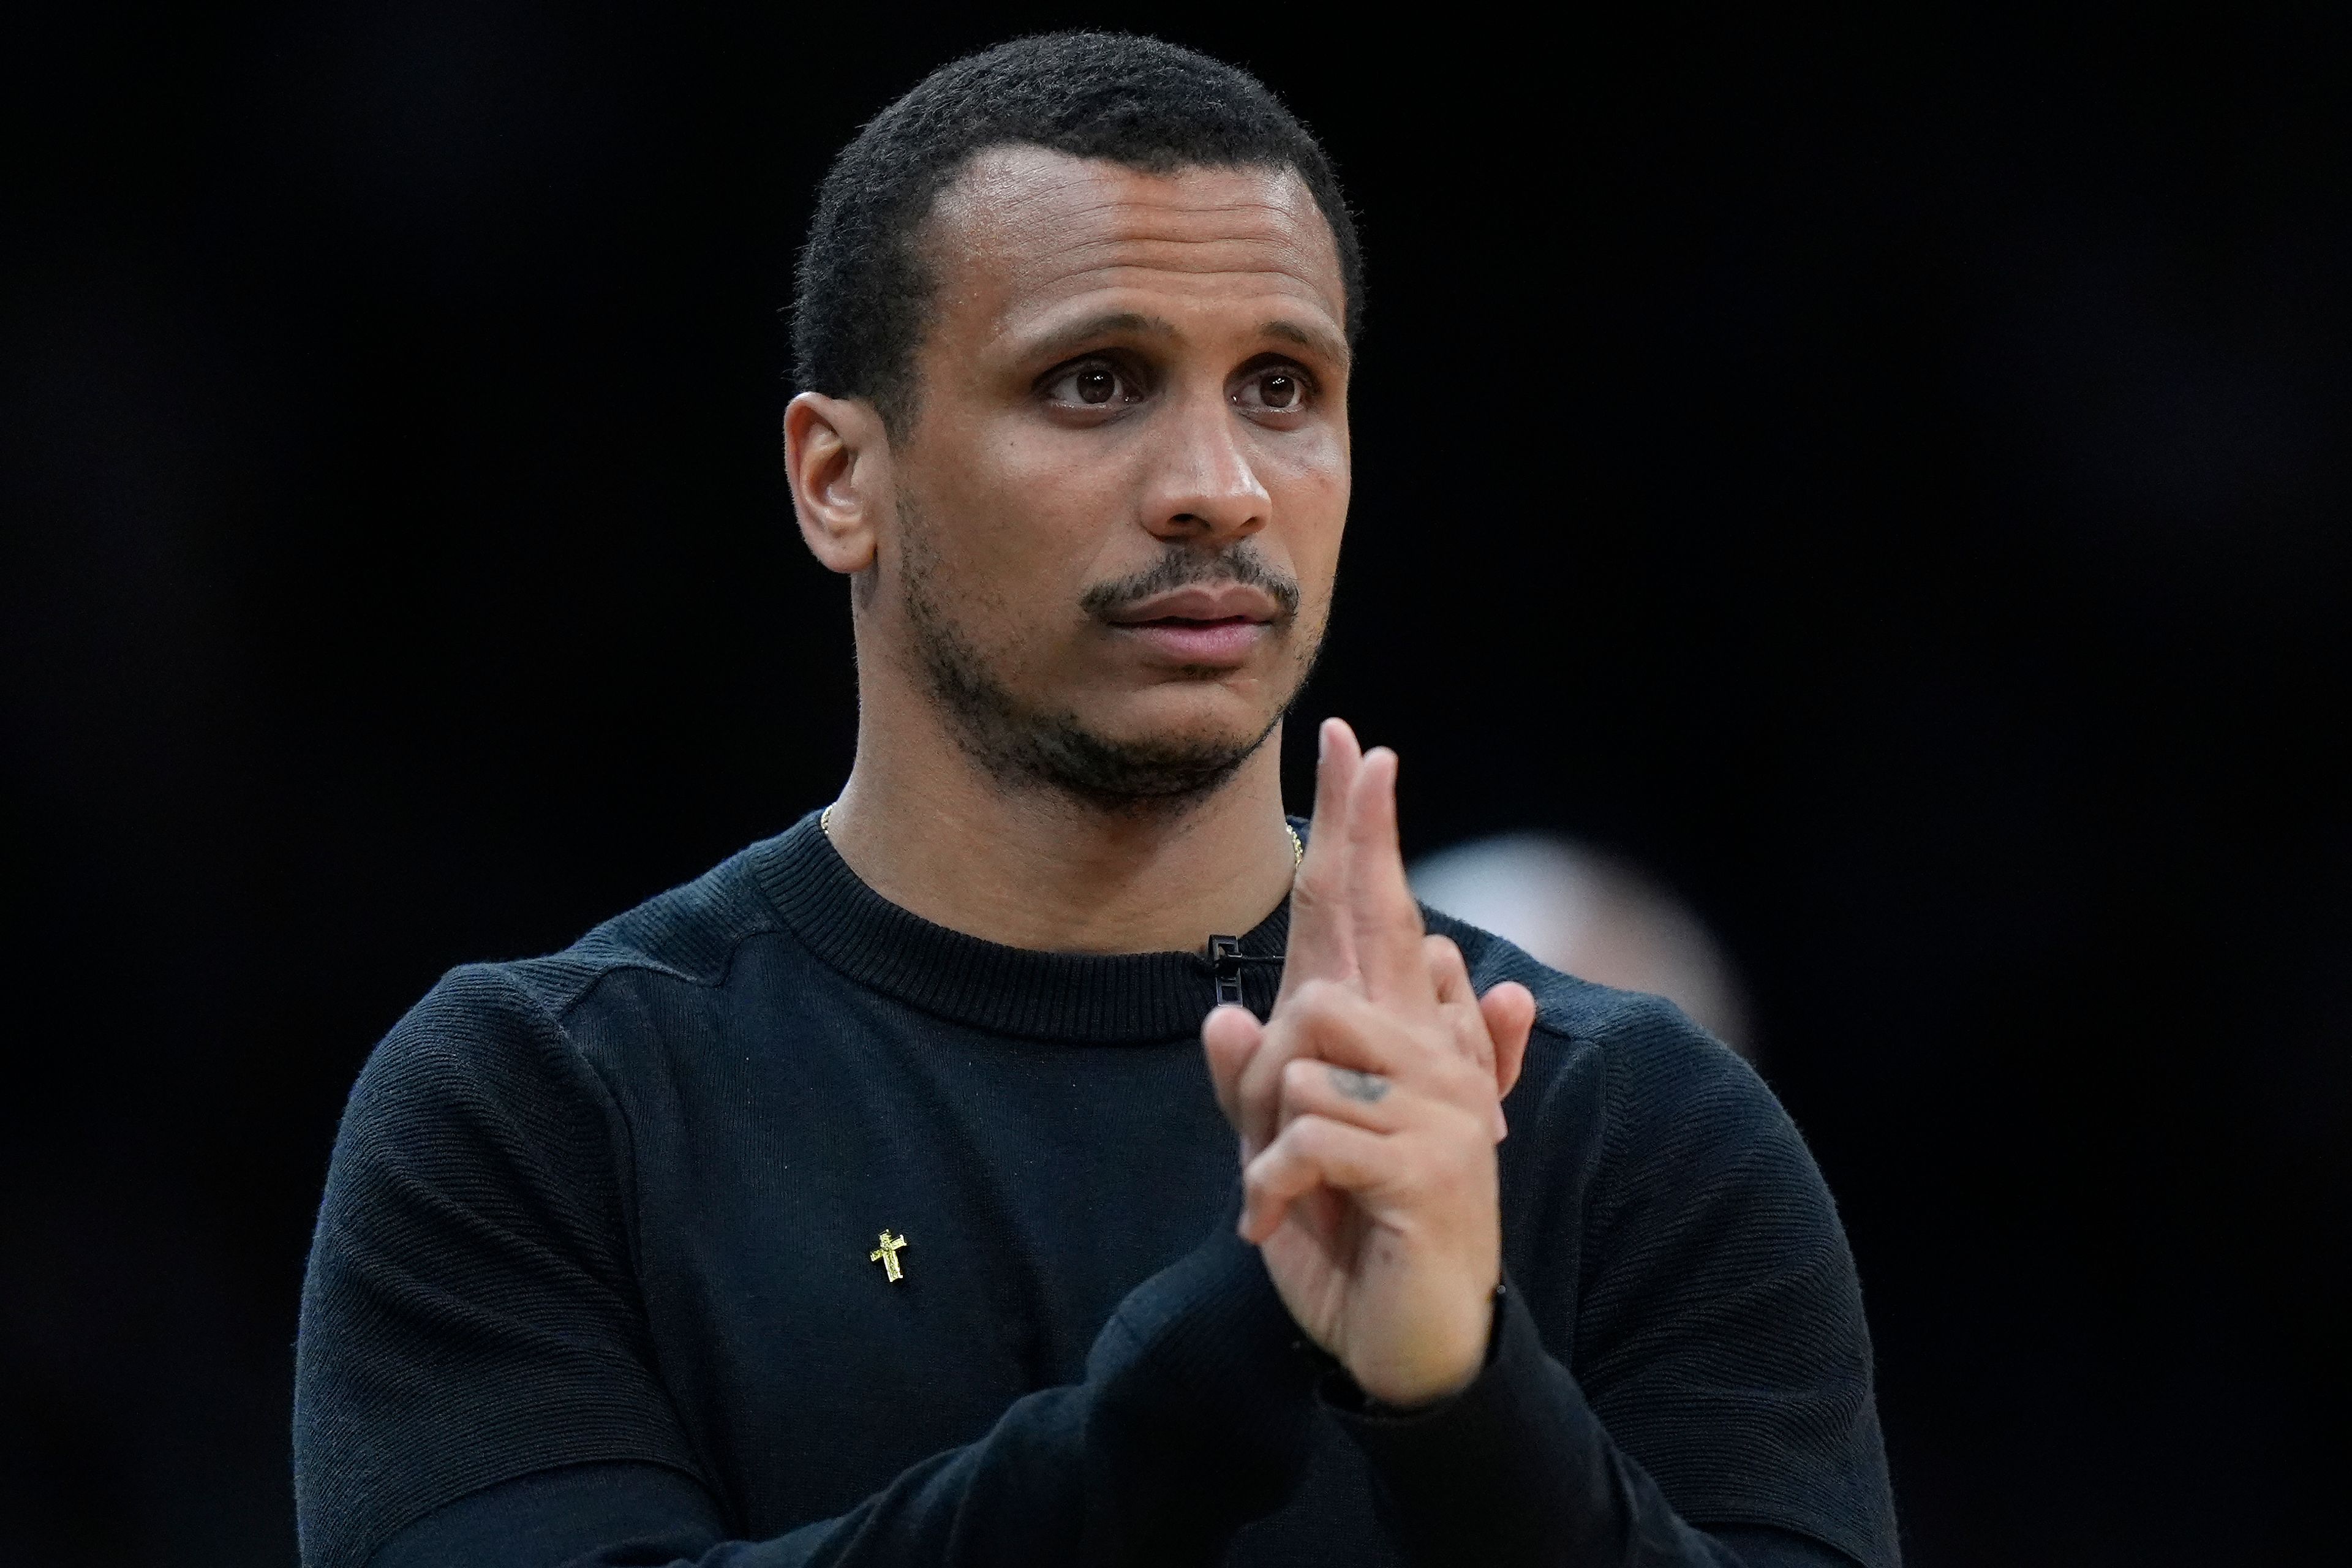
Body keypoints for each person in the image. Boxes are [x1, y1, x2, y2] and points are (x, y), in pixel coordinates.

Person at [293, 33, 1898, 1568]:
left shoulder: (1622, 1125)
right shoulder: (548, 1111)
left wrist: (1463, 1398)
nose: (1218, 482)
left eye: (1281, 386)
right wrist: (1236, 1346)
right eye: (1096, 380)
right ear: (838, 479)